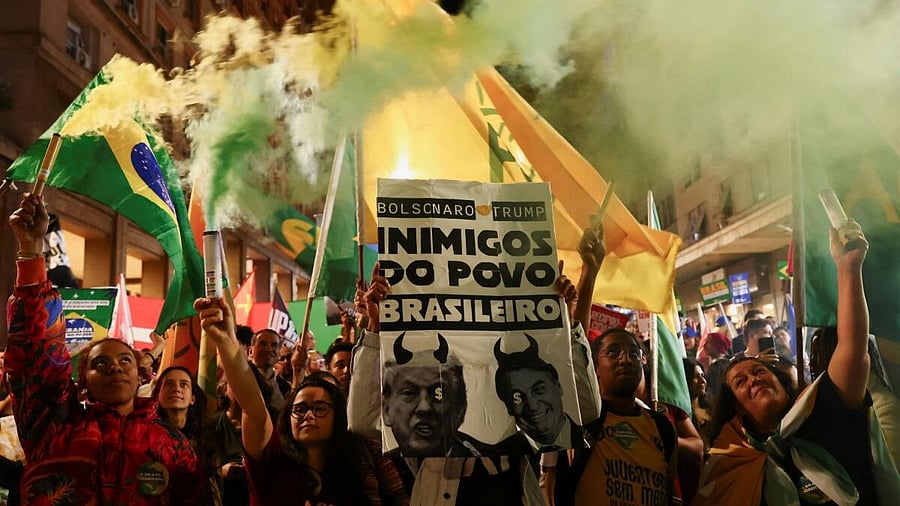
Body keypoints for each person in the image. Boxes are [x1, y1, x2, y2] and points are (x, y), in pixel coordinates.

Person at [4, 193, 204, 504]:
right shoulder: (54, 425)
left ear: (141, 375)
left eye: (126, 360)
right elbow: (34, 349)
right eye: (100, 364)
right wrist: (31, 250)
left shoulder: (171, 444)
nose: (115, 367)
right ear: (81, 380)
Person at [350, 260, 598, 505]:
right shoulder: (428, 435)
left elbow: (587, 409)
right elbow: (362, 421)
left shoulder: (522, 425)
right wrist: (375, 328)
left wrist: (568, 325)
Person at [695, 223, 900, 505]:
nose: (754, 380)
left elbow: (853, 349)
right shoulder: (730, 464)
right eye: (741, 383)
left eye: (759, 371)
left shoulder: (823, 410)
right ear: (737, 409)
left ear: (783, 381)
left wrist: (848, 269)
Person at [196, 296, 410, 505]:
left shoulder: (357, 468)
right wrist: (226, 341)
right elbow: (252, 405)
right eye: (299, 409)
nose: (308, 415)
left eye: (319, 408)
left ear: (339, 416)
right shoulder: (273, 460)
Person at [381, 332, 484, 457]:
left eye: (438, 393)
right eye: (408, 393)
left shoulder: (489, 465)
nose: (424, 408)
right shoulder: (377, 465)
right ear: (386, 410)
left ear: (460, 410)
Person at [493, 333, 582, 452]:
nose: (533, 406)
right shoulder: (499, 455)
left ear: (558, 385)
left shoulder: (595, 434)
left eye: (538, 390)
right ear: (508, 406)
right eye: (517, 396)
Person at [153, 366, 221, 505]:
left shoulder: (204, 437)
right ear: (157, 395)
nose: (176, 389)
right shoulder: (146, 437)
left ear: (193, 399)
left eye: (184, 384)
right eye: (169, 384)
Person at [249, 329, 289, 412]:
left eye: (274, 345)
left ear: (279, 353)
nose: (268, 349)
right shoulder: (241, 378)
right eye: (263, 344)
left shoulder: (285, 387)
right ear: (251, 351)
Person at [682, 358, 712, 445]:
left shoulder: (712, 407)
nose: (702, 381)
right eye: (696, 376)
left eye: (702, 375)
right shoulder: (682, 414)